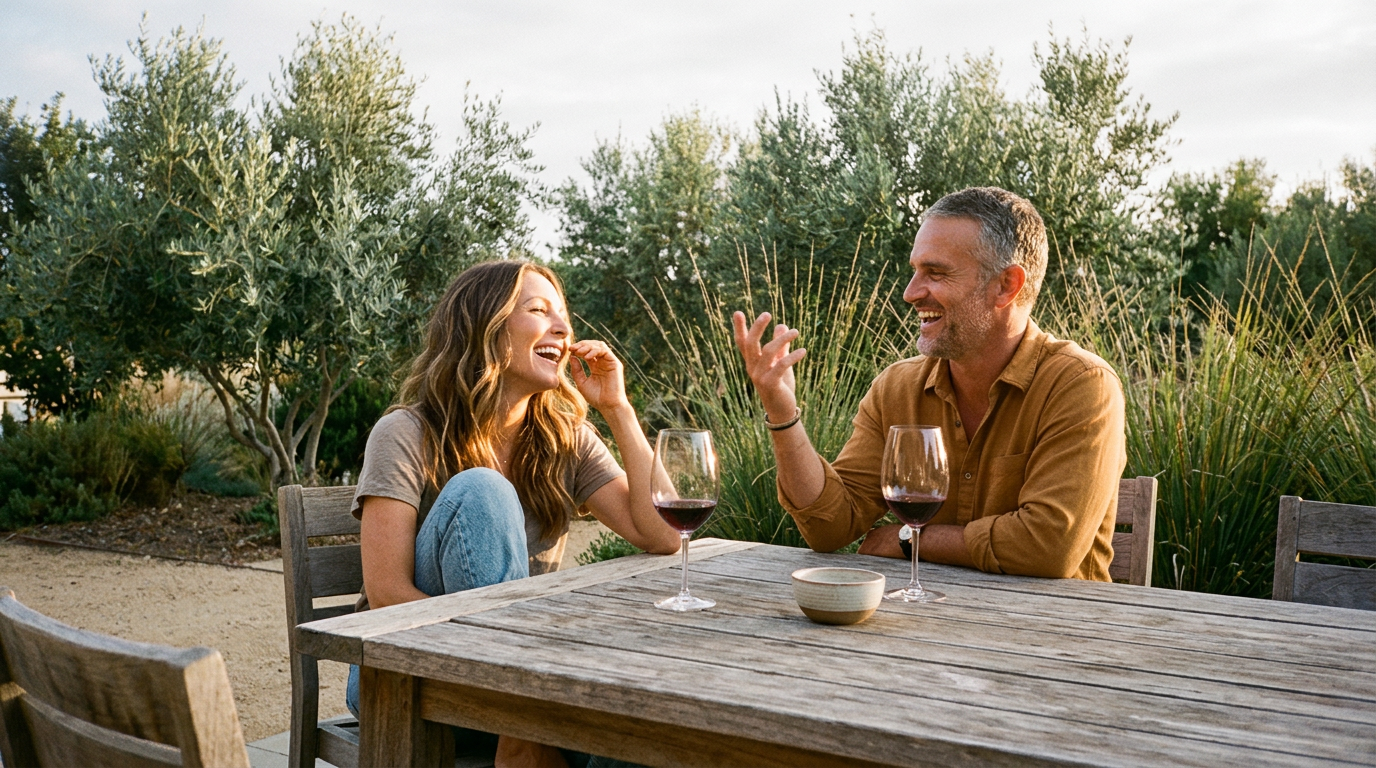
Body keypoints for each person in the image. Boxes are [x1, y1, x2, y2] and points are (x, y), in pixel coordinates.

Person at [346, 259, 679, 768]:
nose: (563, 329)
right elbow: (388, 593)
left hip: (529, 686)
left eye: (563, 315)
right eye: (539, 311)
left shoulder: (563, 439)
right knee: (483, 489)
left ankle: (523, 733)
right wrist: (509, 675)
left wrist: (618, 408)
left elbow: (664, 535)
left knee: (652, 737)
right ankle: (521, 734)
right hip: (409, 681)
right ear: (486, 326)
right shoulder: (406, 434)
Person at [732, 187, 1127, 580]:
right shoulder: (897, 387)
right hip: (922, 616)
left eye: (936, 273)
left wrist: (908, 539)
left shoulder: (1082, 386)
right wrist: (782, 413)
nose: (910, 293)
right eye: (915, 270)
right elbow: (831, 526)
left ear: (1007, 285)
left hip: (1052, 619)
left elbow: (1048, 547)